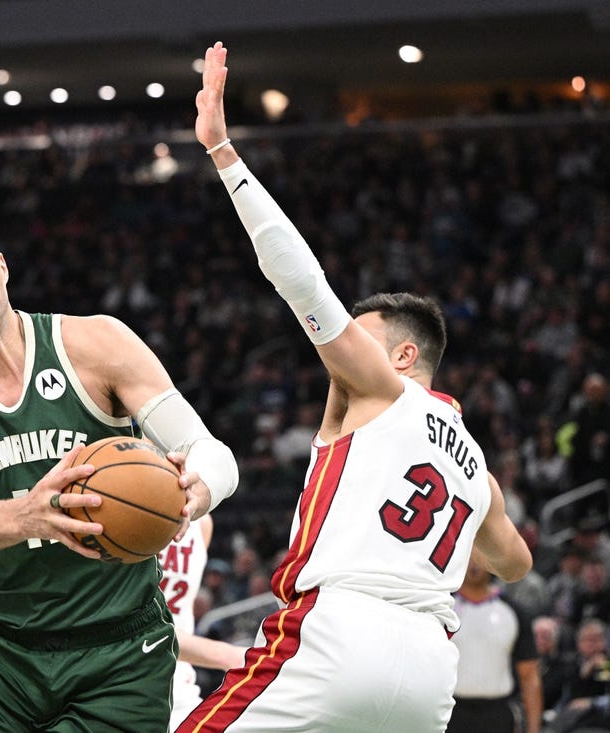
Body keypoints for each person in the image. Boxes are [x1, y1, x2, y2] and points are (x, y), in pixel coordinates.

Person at [179, 42, 531, 733]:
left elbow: (301, 280)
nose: (337, 347)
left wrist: (224, 154)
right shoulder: (477, 468)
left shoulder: (383, 389)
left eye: (356, 334)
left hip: (342, 631)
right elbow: (515, 563)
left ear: (402, 355)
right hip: (432, 663)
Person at [0, 208, 239, 731]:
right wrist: (29, 515)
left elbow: (211, 452)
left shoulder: (96, 344)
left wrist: (197, 490)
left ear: (3, 266)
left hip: (124, 651)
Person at [159, 514, 246, 730]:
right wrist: (230, 655)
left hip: (178, 683)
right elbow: (121, 625)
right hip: (119, 680)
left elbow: (177, 618)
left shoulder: (203, 523)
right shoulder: (116, 496)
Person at [448, 556, 542, 733]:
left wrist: (534, 729)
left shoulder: (513, 611)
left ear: (492, 562)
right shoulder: (442, 609)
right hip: (450, 712)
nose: (474, 564)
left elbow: (529, 676)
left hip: (497, 715)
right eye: (469, 558)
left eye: (480, 558)